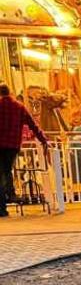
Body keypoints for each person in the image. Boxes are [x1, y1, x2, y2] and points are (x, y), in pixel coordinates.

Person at [0, 83, 49, 217]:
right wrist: (43, 140)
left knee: (2, 173)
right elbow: (33, 125)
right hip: (13, 145)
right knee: (7, 169)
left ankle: (3, 204)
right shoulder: (19, 107)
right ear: (10, 92)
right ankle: (10, 194)